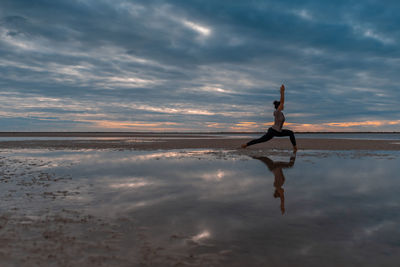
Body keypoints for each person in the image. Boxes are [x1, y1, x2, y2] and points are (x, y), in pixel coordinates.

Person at [241, 84, 297, 152]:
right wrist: (282, 92)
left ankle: (294, 147)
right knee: (261, 140)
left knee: (290, 133)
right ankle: (246, 145)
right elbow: (282, 101)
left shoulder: (281, 113)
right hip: (274, 131)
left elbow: (281, 103)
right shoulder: (277, 112)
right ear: (279, 106)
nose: (283, 106)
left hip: (277, 131)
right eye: (282, 105)